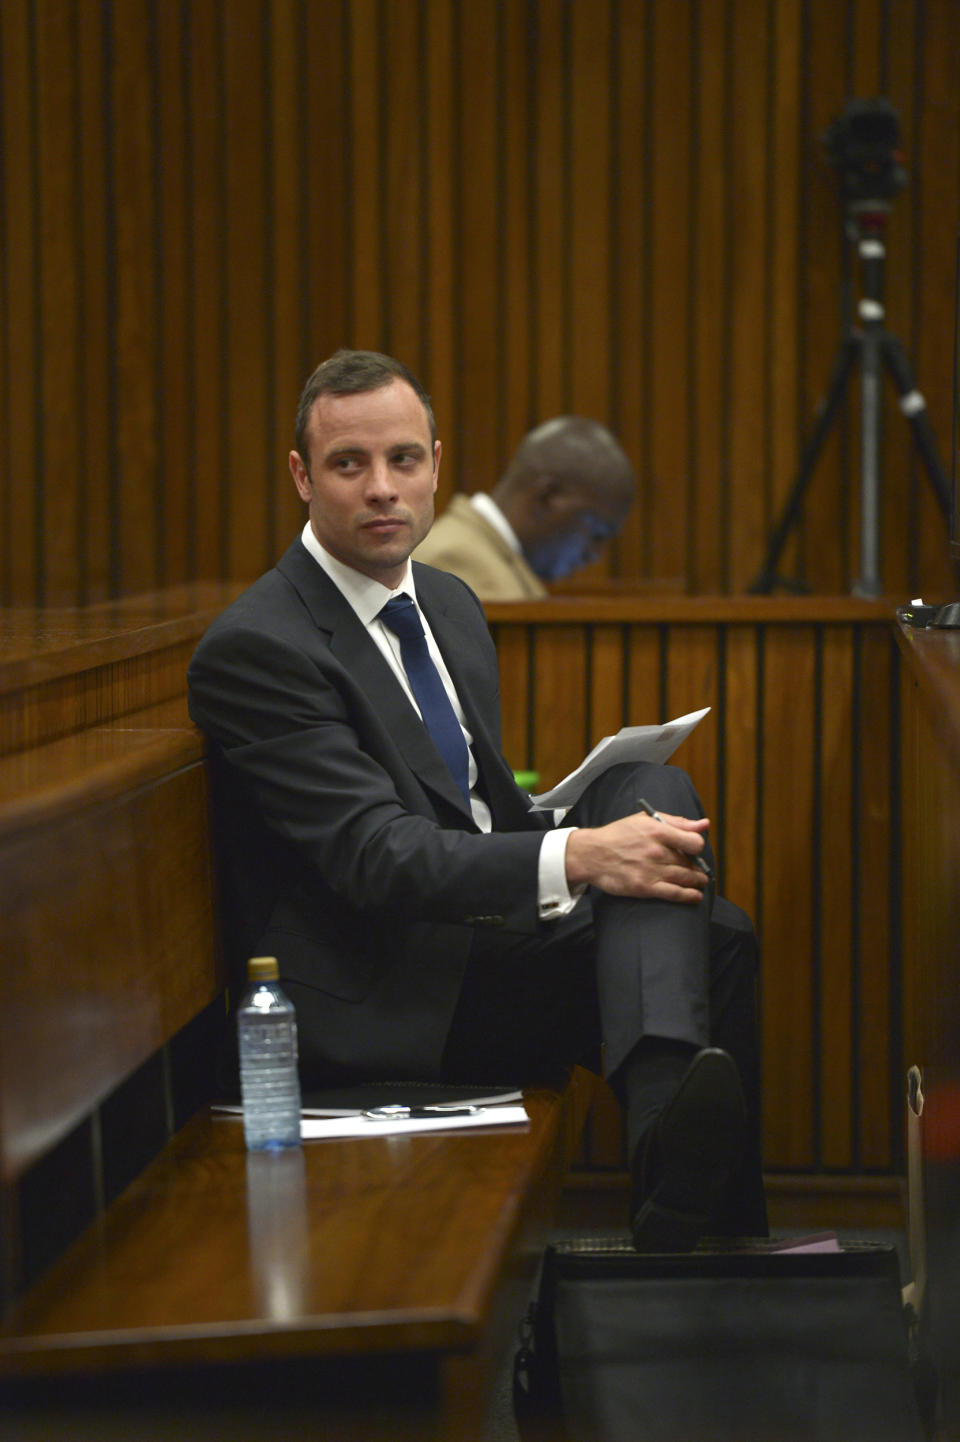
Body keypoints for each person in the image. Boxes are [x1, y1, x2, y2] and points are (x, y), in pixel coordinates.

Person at [187, 349, 767, 1250]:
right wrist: (580, 854)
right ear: (302, 477)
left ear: (437, 465)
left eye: (404, 460)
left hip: (477, 931)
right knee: (715, 933)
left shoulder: (449, 602)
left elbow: (477, 809)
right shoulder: (260, 647)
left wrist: (581, 823)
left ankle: (676, 1184)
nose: (382, 488)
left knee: (649, 788)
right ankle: (700, 1236)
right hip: (385, 982)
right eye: (350, 465)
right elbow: (378, 857)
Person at [413, 415, 636, 599]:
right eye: (596, 532)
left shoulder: (488, 558)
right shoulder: (459, 562)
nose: (594, 555)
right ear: (546, 497)